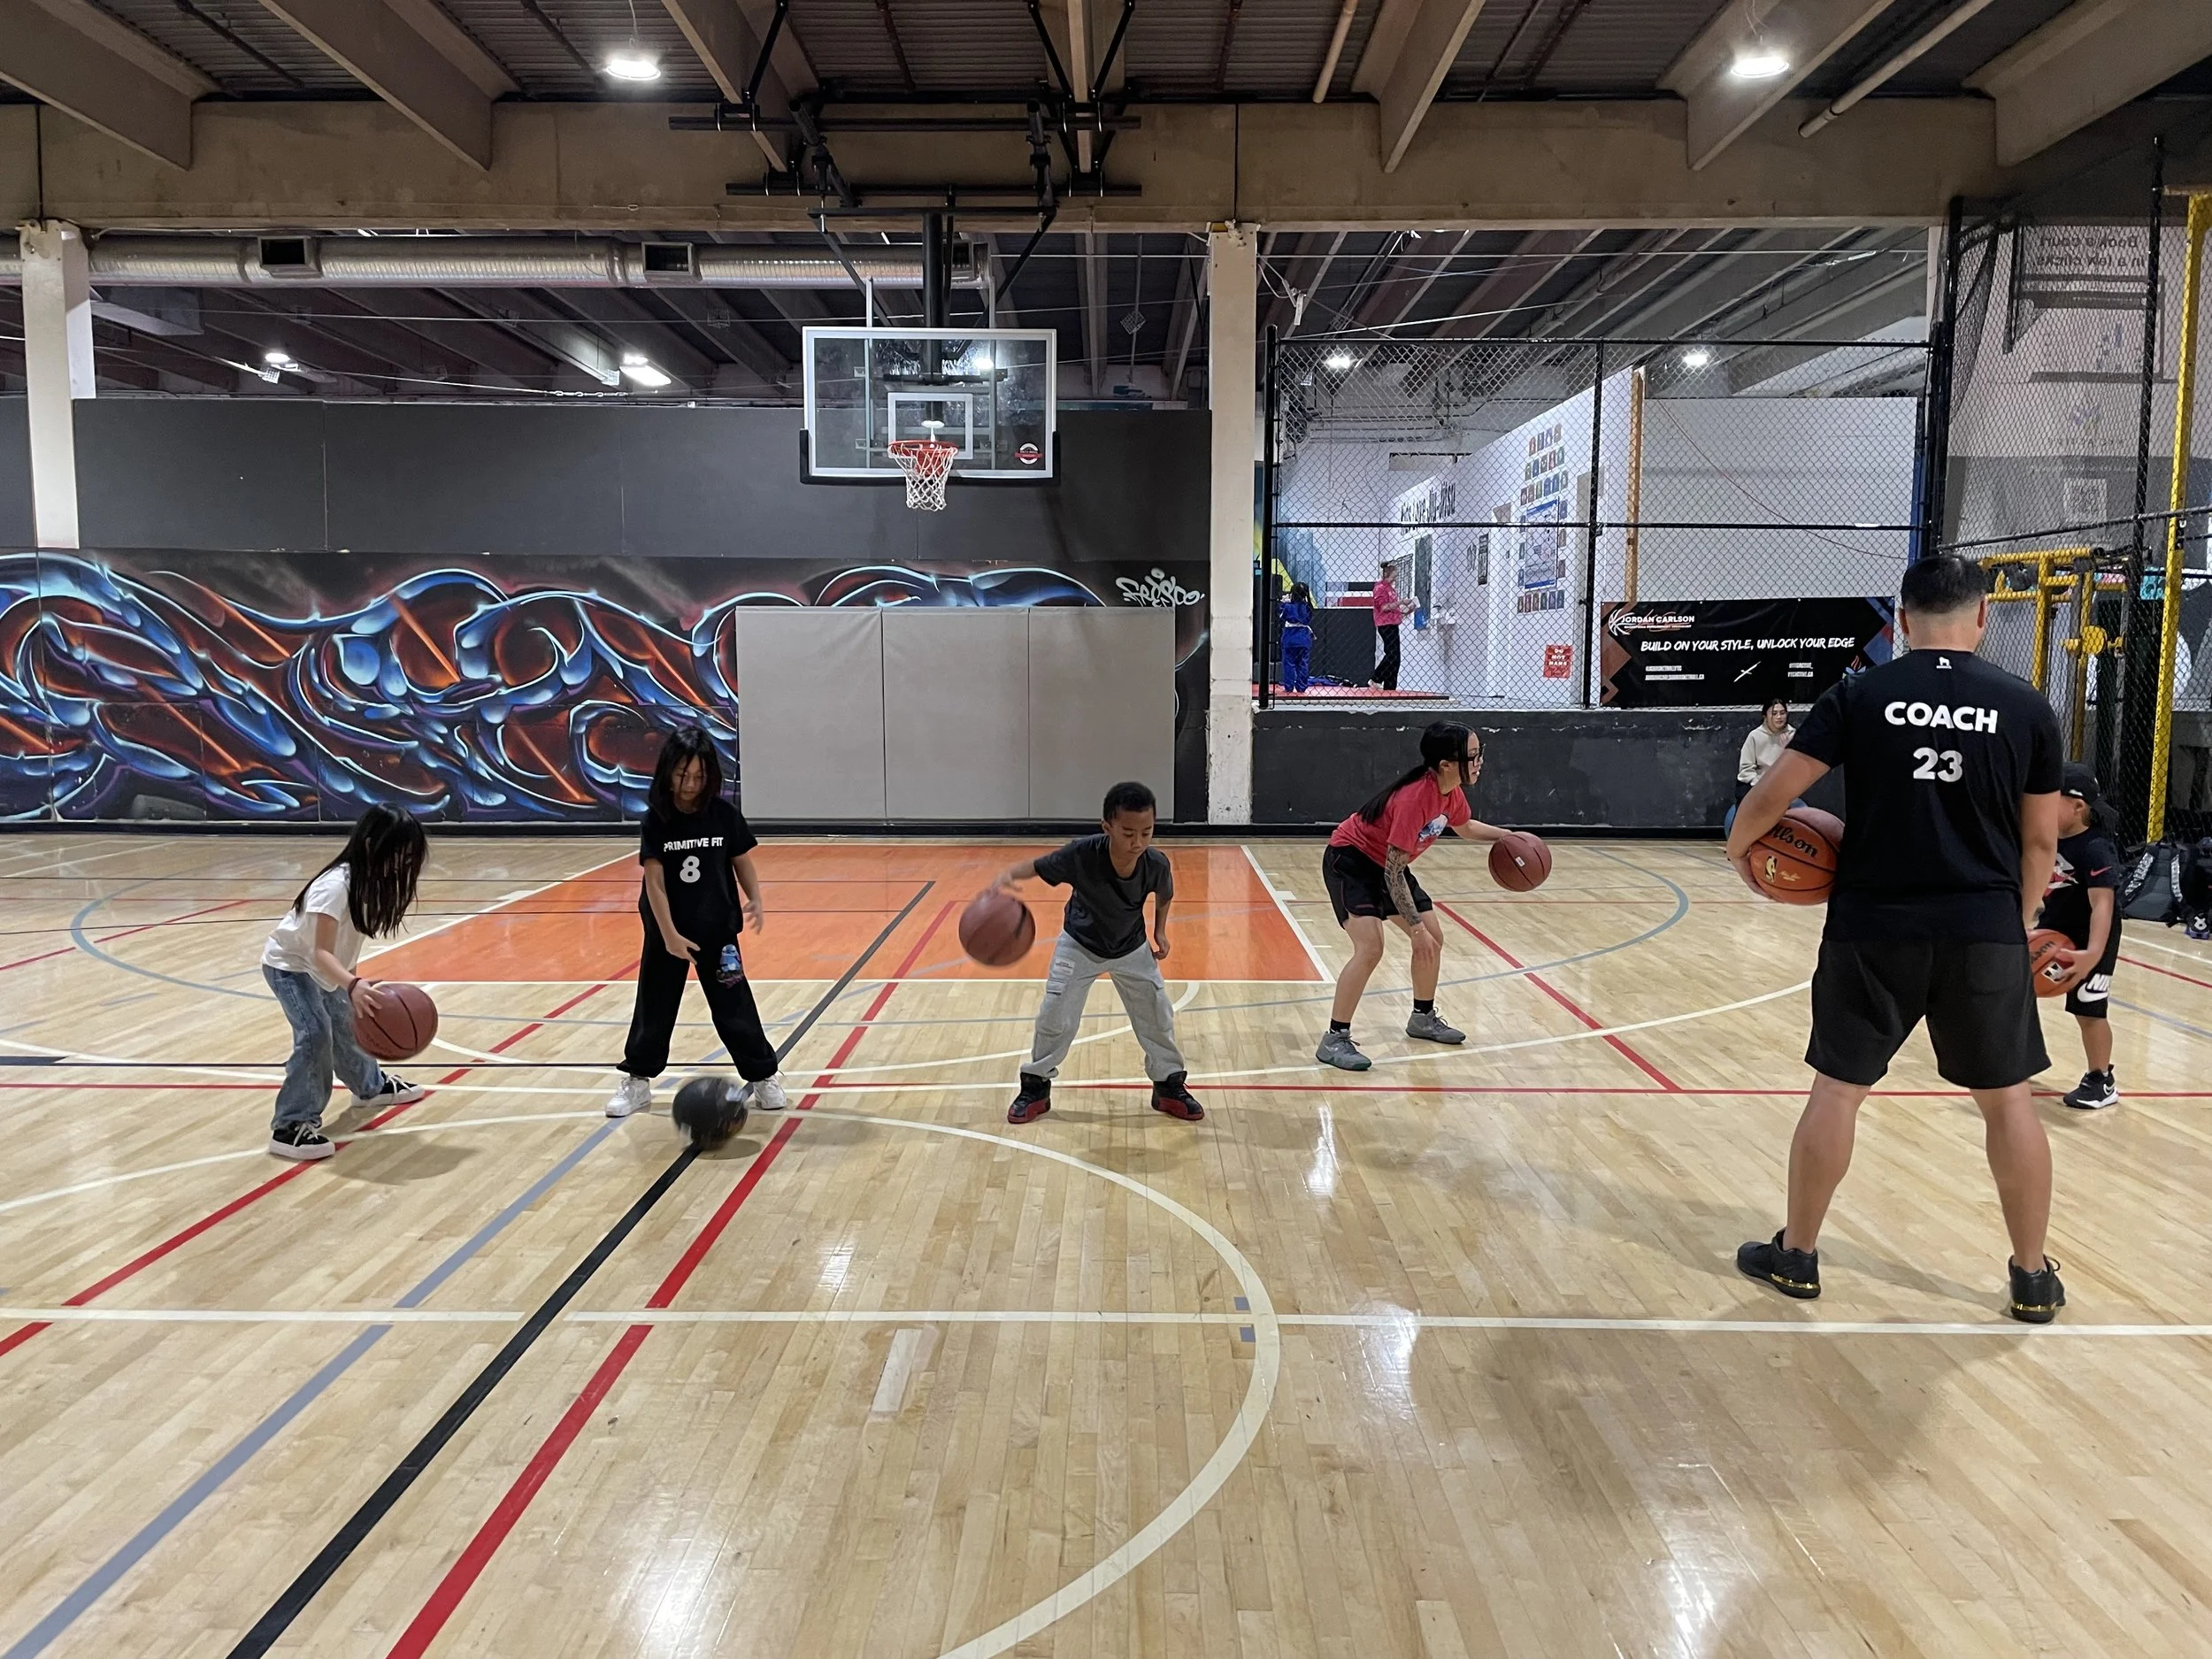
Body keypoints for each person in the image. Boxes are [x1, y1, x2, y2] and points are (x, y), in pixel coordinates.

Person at [1725, 554, 2069, 1323]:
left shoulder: (1859, 693)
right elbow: (2041, 842)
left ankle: (1798, 1256)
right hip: (1982, 927)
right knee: (2008, 1101)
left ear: (1903, 620)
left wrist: (1741, 850)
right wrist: (2014, 921)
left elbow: (1775, 791)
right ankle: (2032, 1276)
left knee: (1838, 1090)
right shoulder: (2026, 706)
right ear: (1983, 617)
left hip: (1873, 925)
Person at [993, 780, 1202, 1126]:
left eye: (1147, 832)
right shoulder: (1082, 853)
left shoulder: (1155, 863)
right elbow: (1041, 865)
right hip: (1080, 944)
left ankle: (1168, 1086)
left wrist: (1160, 930)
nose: (1138, 842)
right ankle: (1036, 1087)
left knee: (1157, 1015)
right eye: (1128, 833)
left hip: (1131, 946)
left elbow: (1164, 894)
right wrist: (1006, 877)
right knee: (1055, 1014)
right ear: (1107, 827)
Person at [604, 726, 787, 1120]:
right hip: (667, 932)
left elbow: (741, 861)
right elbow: (654, 883)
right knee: (655, 1006)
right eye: (682, 775)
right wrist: (670, 935)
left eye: (699, 776)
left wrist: (755, 898)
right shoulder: (657, 820)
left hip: (718, 932)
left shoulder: (723, 816)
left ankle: (763, 1075)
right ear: (668, 772)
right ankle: (638, 1080)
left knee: (734, 1005)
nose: (690, 784)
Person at [1316, 720, 1514, 1071]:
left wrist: (1509, 837)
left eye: (1479, 752)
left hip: (1387, 864)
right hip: (1352, 862)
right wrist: (1415, 928)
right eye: (1472, 755)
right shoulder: (1414, 799)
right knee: (1371, 948)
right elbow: (1393, 873)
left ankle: (1422, 1018)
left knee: (1433, 940)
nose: (1480, 761)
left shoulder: (1450, 790)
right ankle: (1334, 1038)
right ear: (1446, 764)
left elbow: (1465, 826)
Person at [258, 804, 430, 1161]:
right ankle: (290, 1125)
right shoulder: (334, 886)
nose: (403, 862)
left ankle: (371, 1086)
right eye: (398, 852)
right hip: (291, 966)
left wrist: (353, 985)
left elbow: (344, 945)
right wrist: (351, 984)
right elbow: (320, 951)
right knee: (316, 1034)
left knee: (348, 1025)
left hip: (328, 969)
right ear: (370, 845)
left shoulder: (372, 882)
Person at [2039, 763, 2123, 1110]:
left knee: (2089, 1008)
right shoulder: (2043, 836)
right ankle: (2013, 1062)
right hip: (2053, 931)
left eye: (2050, 798)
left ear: (2077, 806)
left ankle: (2101, 1080)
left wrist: (2093, 954)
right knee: (2014, 990)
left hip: (2092, 936)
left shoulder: (2095, 847)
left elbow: (2103, 906)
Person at [1737, 699, 1794, 802]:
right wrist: (1759, 784)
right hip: (1758, 788)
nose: (1779, 717)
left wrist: (1788, 750)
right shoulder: (1755, 736)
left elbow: (1797, 768)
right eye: (1774, 713)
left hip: (1785, 788)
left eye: (1782, 713)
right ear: (1765, 717)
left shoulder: (1792, 735)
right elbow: (1746, 769)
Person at [1371, 559, 1405, 691]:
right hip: (1385, 624)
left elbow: (1394, 607)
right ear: (1387, 575)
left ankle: (1390, 687)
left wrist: (1408, 607)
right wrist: (1400, 602)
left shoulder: (1391, 589)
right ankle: (1376, 678)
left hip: (1393, 622)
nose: (1395, 579)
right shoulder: (1380, 588)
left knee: (1396, 658)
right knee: (1392, 654)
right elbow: (1384, 607)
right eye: (1393, 576)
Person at [1280, 581, 1316, 695]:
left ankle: (1289, 687)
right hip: (1304, 637)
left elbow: (1282, 616)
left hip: (1290, 637)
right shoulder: (1308, 607)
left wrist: (1283, 603)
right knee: (1303, 663)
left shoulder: (1288, 607)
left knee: (1289, 663)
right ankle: (1301, 687)